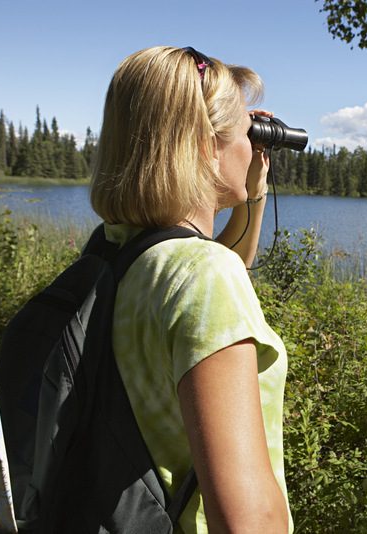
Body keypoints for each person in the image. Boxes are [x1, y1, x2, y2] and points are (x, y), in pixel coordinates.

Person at [89, 46, 291, 533]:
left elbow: (222, 271)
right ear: (206, 143)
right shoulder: (202, 276)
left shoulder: (114, 253)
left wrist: (254, 188)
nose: (251, 144)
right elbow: (247, 522)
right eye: (246, 131)